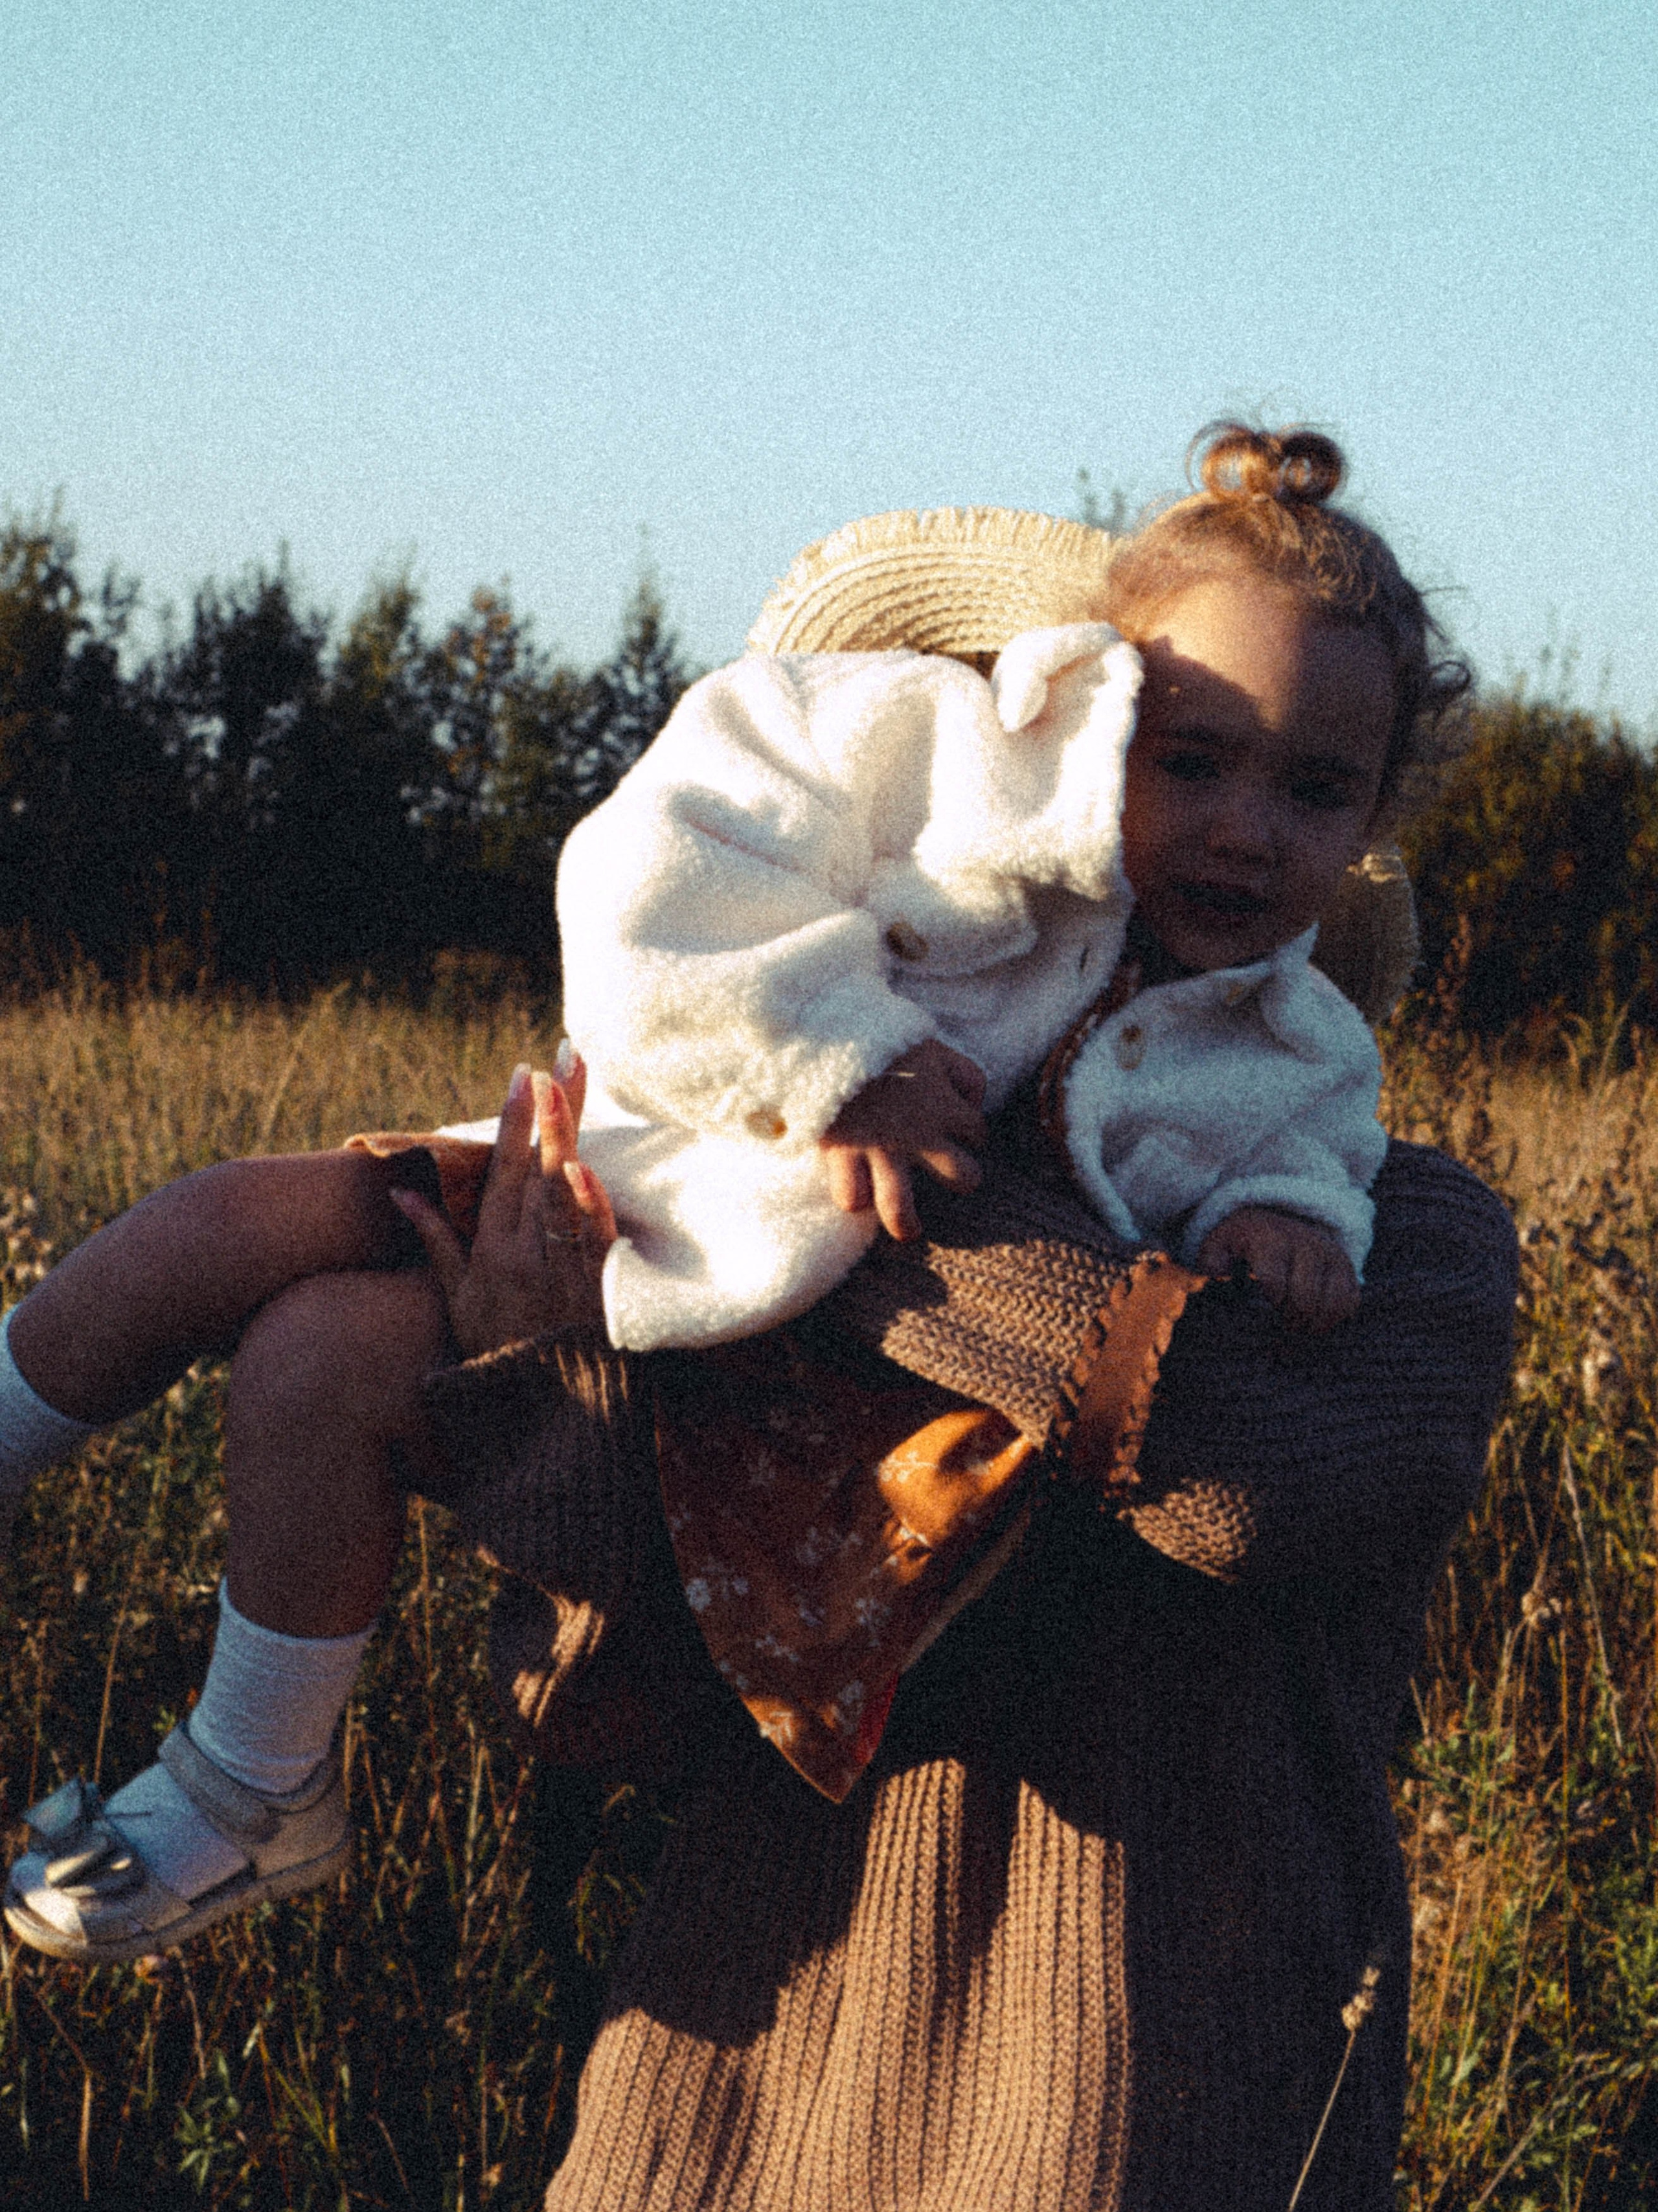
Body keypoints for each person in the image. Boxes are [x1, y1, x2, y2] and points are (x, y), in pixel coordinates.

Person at [5, 428, 1437, 1950]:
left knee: (323, 1358)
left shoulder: (1284, 1032)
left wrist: (1282, 1222)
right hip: (628, 1167)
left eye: (1314, 790)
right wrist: (840, 1053)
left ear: (1373, 819)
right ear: (1085, 694)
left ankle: (250, 1788)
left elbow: (1300, 1153)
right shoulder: (925, 755)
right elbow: (656, 863)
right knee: (225, 1225)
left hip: (782, 1375)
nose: (1243, 826)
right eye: (1192, 758)